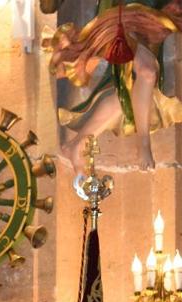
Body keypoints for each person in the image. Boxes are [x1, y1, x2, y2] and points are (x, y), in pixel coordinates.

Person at [43, 0, 182, 174]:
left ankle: (77, 144)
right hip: (122, 15)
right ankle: (143, 143)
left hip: (150, 16)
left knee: (128, 95)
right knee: (147, 71)